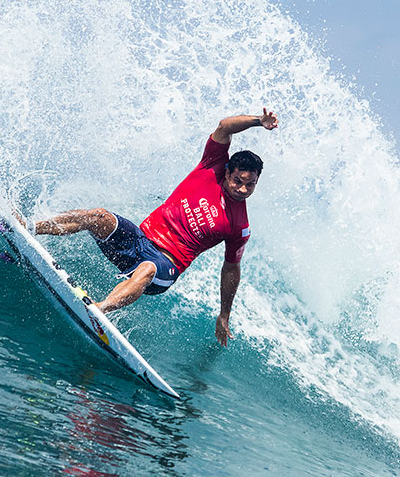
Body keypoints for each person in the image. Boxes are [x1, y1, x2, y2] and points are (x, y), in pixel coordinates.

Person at [14, 109, 278, 346]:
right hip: (139, 240)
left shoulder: (239, 226)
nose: (243, 189)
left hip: (166, 265)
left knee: (147, 268)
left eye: (251, 184)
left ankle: (99, 310)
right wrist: (258, 121)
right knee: (98, 216)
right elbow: (223, 126)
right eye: (238, 181)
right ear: (228, 171)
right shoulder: (211, 167)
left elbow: (231, 268)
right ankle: (29, 227)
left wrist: (224, 314)